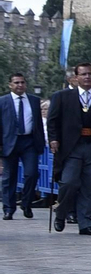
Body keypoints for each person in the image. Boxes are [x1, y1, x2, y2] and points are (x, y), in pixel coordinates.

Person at [45, 63, 91, 235]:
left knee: (90, 185)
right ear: (76, 77)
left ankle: (85, 222)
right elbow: (53, 121)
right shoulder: (62, 97)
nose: (87, 77)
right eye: (83, 74)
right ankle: (61, 212)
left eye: (90, 74)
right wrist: (53, 139)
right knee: (69, 182)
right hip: (71, 147)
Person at [2, 72, 45, 220]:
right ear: (10, 85)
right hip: (9, 143)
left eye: (22, 82)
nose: (20, 85)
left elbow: (38, 123)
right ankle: (8, 208)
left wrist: (41, 140)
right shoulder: (3, 102)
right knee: (9, 177)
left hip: (29, 142)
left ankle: (26, 203)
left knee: (32, 173)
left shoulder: (33, 100)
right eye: (16, 83)